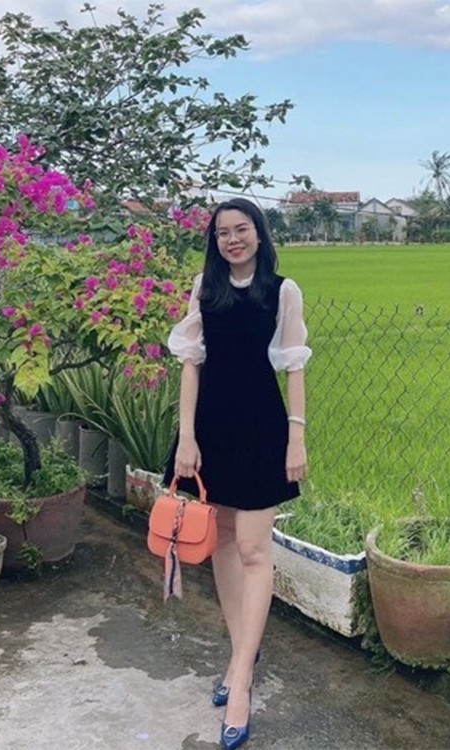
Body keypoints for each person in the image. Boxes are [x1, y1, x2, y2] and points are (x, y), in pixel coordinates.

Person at [163, 197, 311, 750]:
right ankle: (239, 655)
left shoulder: (283, 291)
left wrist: (296, 436)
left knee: (253, 547)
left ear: (259, 233)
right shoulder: (205, 287)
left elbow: (293, 366)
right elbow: (190, 365)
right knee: (222, 540)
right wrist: (186, 437)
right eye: (222, 232)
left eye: (241, 229)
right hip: (211, 429)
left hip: (261, 429)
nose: (232, 239)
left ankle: (242, 682)